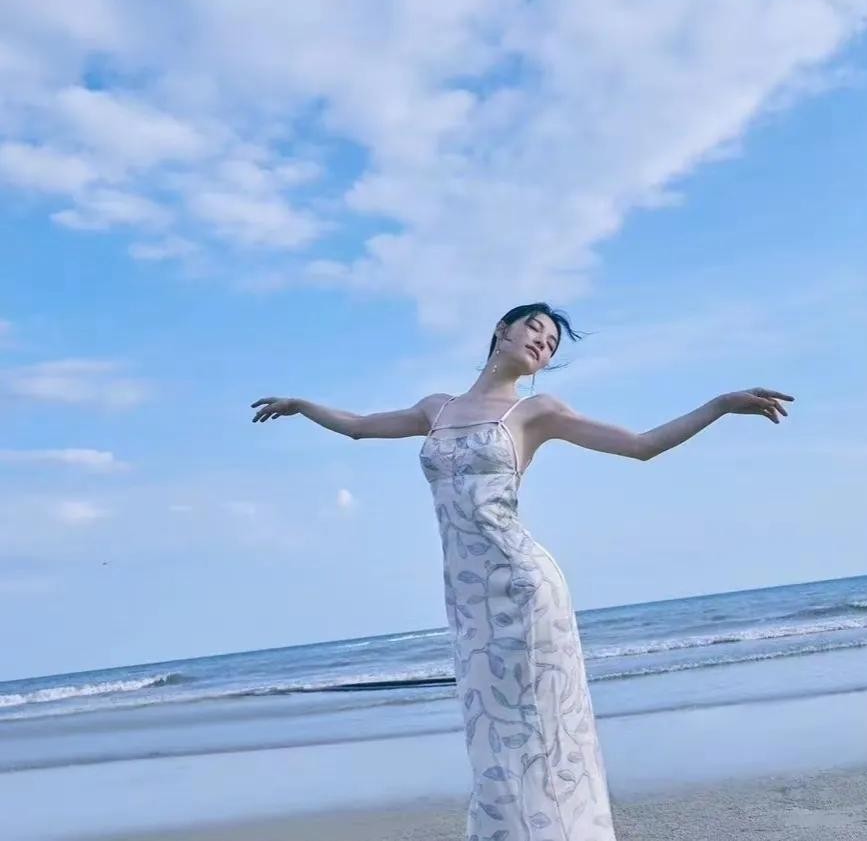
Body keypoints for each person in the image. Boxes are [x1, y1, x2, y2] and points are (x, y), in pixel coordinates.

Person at [251, 301, 793, 840]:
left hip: (523, 584)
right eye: (535, 329)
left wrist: (719, 405)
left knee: (540, 726)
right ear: (501, 330)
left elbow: (640, 446)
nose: (542, 343)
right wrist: (303, 405)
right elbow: (359, 427)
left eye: (551, 343)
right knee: (491, 731)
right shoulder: (435, 409)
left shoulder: (536, 413)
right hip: (468, 597)